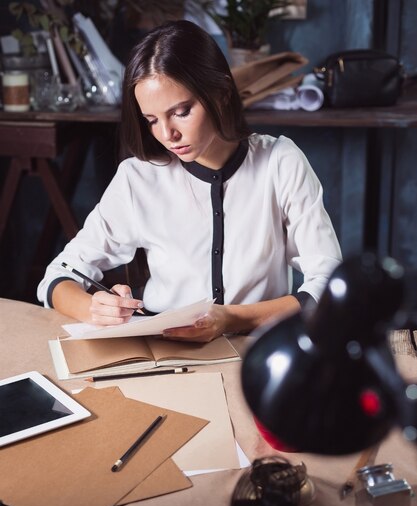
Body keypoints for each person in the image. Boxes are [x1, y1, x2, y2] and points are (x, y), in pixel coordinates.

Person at [37, 19, 342, 343]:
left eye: (181, 111)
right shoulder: (137, 178)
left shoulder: (280, 162)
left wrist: (230, 319)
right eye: (152, 120)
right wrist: (94, 308)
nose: (167, 134)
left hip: (257, 349)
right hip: (161, 350)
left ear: (222, 93)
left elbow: (328, 285)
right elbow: (58, 277)